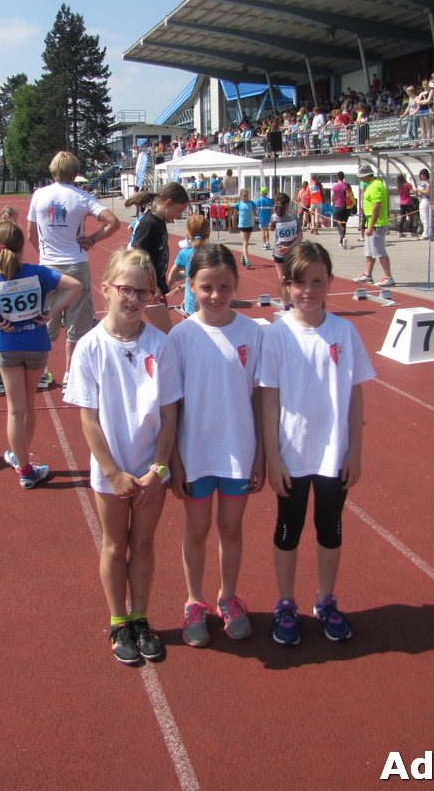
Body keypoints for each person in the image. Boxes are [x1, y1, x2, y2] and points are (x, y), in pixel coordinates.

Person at [258, 241, 374, 645]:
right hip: (291, 455)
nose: (309, 290)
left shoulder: (345, 332)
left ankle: (325, 599)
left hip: (333, 456)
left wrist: (355, 451)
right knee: (288, 530)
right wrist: (272, 457)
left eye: (318, 281)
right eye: (300, 282)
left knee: (330, 530)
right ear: (286, 285)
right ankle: (285, 602)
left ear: (329, 282)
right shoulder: (276, 335)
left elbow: (356, 394)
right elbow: (269, 400)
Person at [64, 249, 174, 664]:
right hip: (109, 472)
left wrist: (158, 467)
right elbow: (89, 419)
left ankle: (141, 617)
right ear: (106, 288)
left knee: (143, 545)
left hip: (151, 471)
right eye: (125, 289)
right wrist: (112, 472)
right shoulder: (89, 348)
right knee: (115, 545)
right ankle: (118, 620)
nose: (132, 299)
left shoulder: (161, 346)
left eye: (142, 293)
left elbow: (169, 413)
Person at [160, 244, 264, 647]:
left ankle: (228, 597)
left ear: (236, 284)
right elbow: (172, 404)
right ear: (190, 286)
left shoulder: (253, 333)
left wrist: (261, 454)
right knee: (197, 529)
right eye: (206, 287)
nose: (216, 296)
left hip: (238, 453)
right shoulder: (182, 336)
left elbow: (258, 397)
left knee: (231, 528)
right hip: (196, 455)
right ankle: (194, 601)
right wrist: (174, 459)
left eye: (224, 286)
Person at [0, 221, 82, 489]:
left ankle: (22, 464)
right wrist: (52, 310)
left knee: (15, 410)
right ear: (23, 246)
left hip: (7, 347)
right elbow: (76, 286)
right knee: (30, 406)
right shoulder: (39, 274)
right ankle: (23, 457)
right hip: (36, 345)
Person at [27, 151, 120, 390]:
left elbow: (31, 235)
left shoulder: (39, 196)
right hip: (76, 263)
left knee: (46, 318)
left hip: (48, 266)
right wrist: (92, 239)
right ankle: (70, 373)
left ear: (53, 169)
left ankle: (42, 371)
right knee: (77, 322)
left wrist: (45, 253)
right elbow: (113, 222)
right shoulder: (82, 197)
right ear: (76, 173)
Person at [126, 182, 190, 298]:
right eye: (178, 211)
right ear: (169, 203)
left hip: (156, 281)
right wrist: (151, 285)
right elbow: (134, 255)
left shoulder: (159, 222)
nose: (178, 216)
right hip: (147, 286)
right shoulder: (149, 223)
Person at [352, 163, 395, 288]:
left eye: (361, 176)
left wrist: (371, 226)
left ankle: (388, 277)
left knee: (379, 251)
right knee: (369, 252)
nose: (360, 178)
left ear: (367, 175)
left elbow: (377, 207)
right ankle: (368, 274)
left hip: (377, 224)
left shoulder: (376, 185)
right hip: (370, 223)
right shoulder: (370, 185)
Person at [167, 213, 210, 316]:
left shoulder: (185, 254)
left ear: (187, 234)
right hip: (210, 306)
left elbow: (173, 274)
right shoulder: (214, 254)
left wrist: (168, 286)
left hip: (191, 306)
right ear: (208, 234)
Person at [270, 192, 302, 308]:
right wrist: (290, 247)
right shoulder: (294, 218)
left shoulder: (275, 217)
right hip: (293, 252)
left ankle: (286, 302)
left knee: (282, 278)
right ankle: (295, 299)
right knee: (293, 277)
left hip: (279, 252)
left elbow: (271, 229)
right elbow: (300, 237)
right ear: (288, 205)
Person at [232, 187, 258, 268]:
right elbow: (235, 215)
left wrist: (256, 217)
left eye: (246, 196)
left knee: (246, 243)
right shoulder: (238, 204)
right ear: (240, 196)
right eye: (244, 196)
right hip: (242, 224)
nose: (245, 197)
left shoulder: (252, 203)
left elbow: (254, 213)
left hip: (249, 224)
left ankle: (242, 257)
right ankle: (247, 261)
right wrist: (234, 223)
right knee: (245, 243)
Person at [330, 171, 350, 247]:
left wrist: (335, 198)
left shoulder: (335, 187)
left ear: (337, 177)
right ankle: (341, 241)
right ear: (343, 177)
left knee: (338, 224)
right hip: (346, 207)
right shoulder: (347, 186)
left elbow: (331, 198)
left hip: (338, 207)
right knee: (344, 224)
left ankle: (342, 237)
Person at [414, 168, 433, 242]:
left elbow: (427, 193)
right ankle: (427, 233)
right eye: (421, 174)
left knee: (425, 218)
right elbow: (419, 193)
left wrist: (419, 190)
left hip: (426, 200)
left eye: (423, 174)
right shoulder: (422, 183)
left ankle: (426, 234)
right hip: (421, 200)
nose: (422, 176)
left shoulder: (427, 183)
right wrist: (416, 191)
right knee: (423, 218)